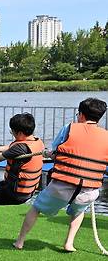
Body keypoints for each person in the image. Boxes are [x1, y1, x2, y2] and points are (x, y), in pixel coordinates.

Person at [14, 98, 108, 252]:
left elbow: (55, 149)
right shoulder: (106, 136)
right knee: (79, 211)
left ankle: (20, 241)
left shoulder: (69, 128)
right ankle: (69, 243)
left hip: (62, 186)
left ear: (82, 115)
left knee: (36, 208)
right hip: (89, 191)